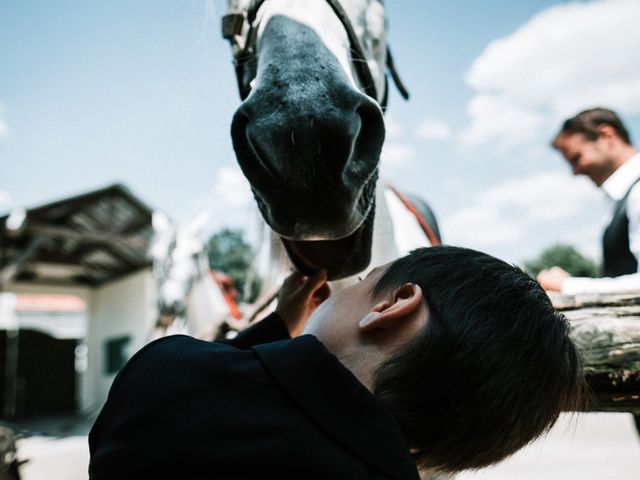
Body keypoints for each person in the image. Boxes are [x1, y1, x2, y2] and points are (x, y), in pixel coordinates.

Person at [89, 246, 585, 479]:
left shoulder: (168, 372)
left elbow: (208, 378)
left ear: (392, 306)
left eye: (369, 278)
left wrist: (275, 327)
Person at [537, 107, 640, 294]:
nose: (575, 172)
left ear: (606, 136)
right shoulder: (621, 198)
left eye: (577, 158)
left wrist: (568, 286)